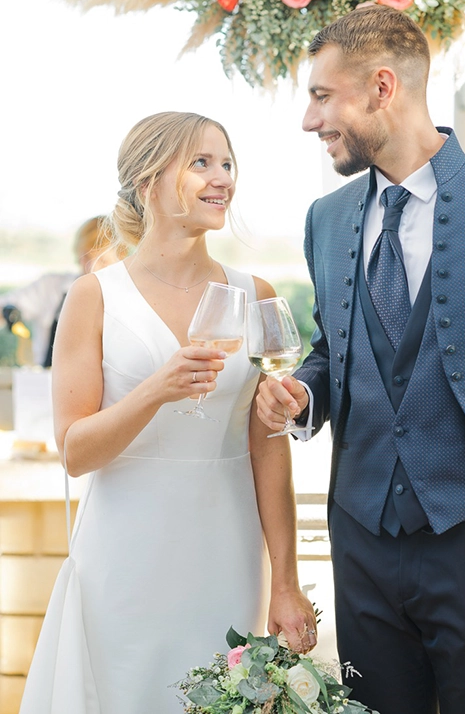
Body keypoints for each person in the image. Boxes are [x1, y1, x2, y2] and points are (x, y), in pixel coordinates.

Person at [256, 5, 465, 714]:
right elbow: (334, 350)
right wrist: (304, 394)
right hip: (361, 539)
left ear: (382, 87)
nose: (311, 121)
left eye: (321, 96)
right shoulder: (326, 217)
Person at [20, 112, 316, 714]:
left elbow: (267, 448)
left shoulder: (253, 293)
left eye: (227, 163)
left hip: (228, 555)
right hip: (126, 557)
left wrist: (285, 580)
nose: (222, 179)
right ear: (149, 180)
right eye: (201, 163)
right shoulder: (94, 297)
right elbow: (75, 452)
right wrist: (157, 388)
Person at [1, 215, 125, 367]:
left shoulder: (128, 300)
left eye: (102, 260)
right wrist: (8, 312)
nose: (91, 268)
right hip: (47, 384)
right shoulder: (50, 287)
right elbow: (5, 307)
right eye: (86, 258)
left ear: (121, 258)